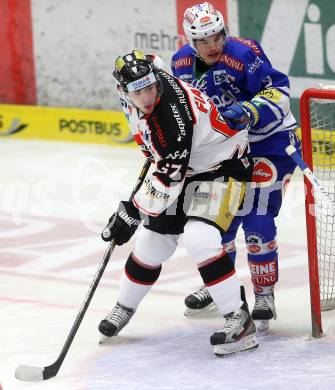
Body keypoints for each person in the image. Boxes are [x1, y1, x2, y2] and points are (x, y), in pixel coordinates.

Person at [98, 49, 259, 356]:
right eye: (138, 90)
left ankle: (240, 320)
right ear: (122, 89)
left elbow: (169, 178)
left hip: (222, 166)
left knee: (201, 238)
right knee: (152, 244)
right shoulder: (150, 77)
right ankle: (124, 306)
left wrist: (130, 212)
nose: (147, 95)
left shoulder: (171, 118)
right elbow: (154, 59)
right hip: (185, 166)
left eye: (150, 87)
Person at [171, 2, 301, 331]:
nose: (213, 45)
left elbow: (280, 91)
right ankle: (221, 288)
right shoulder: (181, 64)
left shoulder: (243, 53)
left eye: (217, 36)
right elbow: (184, 111)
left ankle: (264, 294)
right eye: (204, 41)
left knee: (256, 220)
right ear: (190, 41)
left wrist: (250, 111)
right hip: (226, 150)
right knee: (215, 222)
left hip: (270, 144)